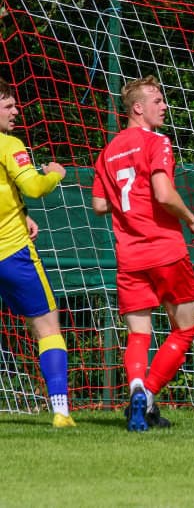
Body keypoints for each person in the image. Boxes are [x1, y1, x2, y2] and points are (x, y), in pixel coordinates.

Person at [92, 76, 194, 432]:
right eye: (158, 100)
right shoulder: (157, 141)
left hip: (129, 255)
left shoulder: (108, 152)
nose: (164, 106)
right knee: (185, 328)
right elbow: (163, 193)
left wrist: (129, 208)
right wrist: (192, 220)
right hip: (165, 249)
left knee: (139, 335)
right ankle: (150, 393)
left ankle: (137, 389)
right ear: (138, 108)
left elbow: (99, 205)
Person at [0, 78, 74, 428]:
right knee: (47, 326)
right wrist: (54, 175)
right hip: (12, 253)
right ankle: (61, 411)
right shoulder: (8, 143)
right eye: (8, 105)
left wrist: (22, 213)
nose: (17, 111)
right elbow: (32, 185)